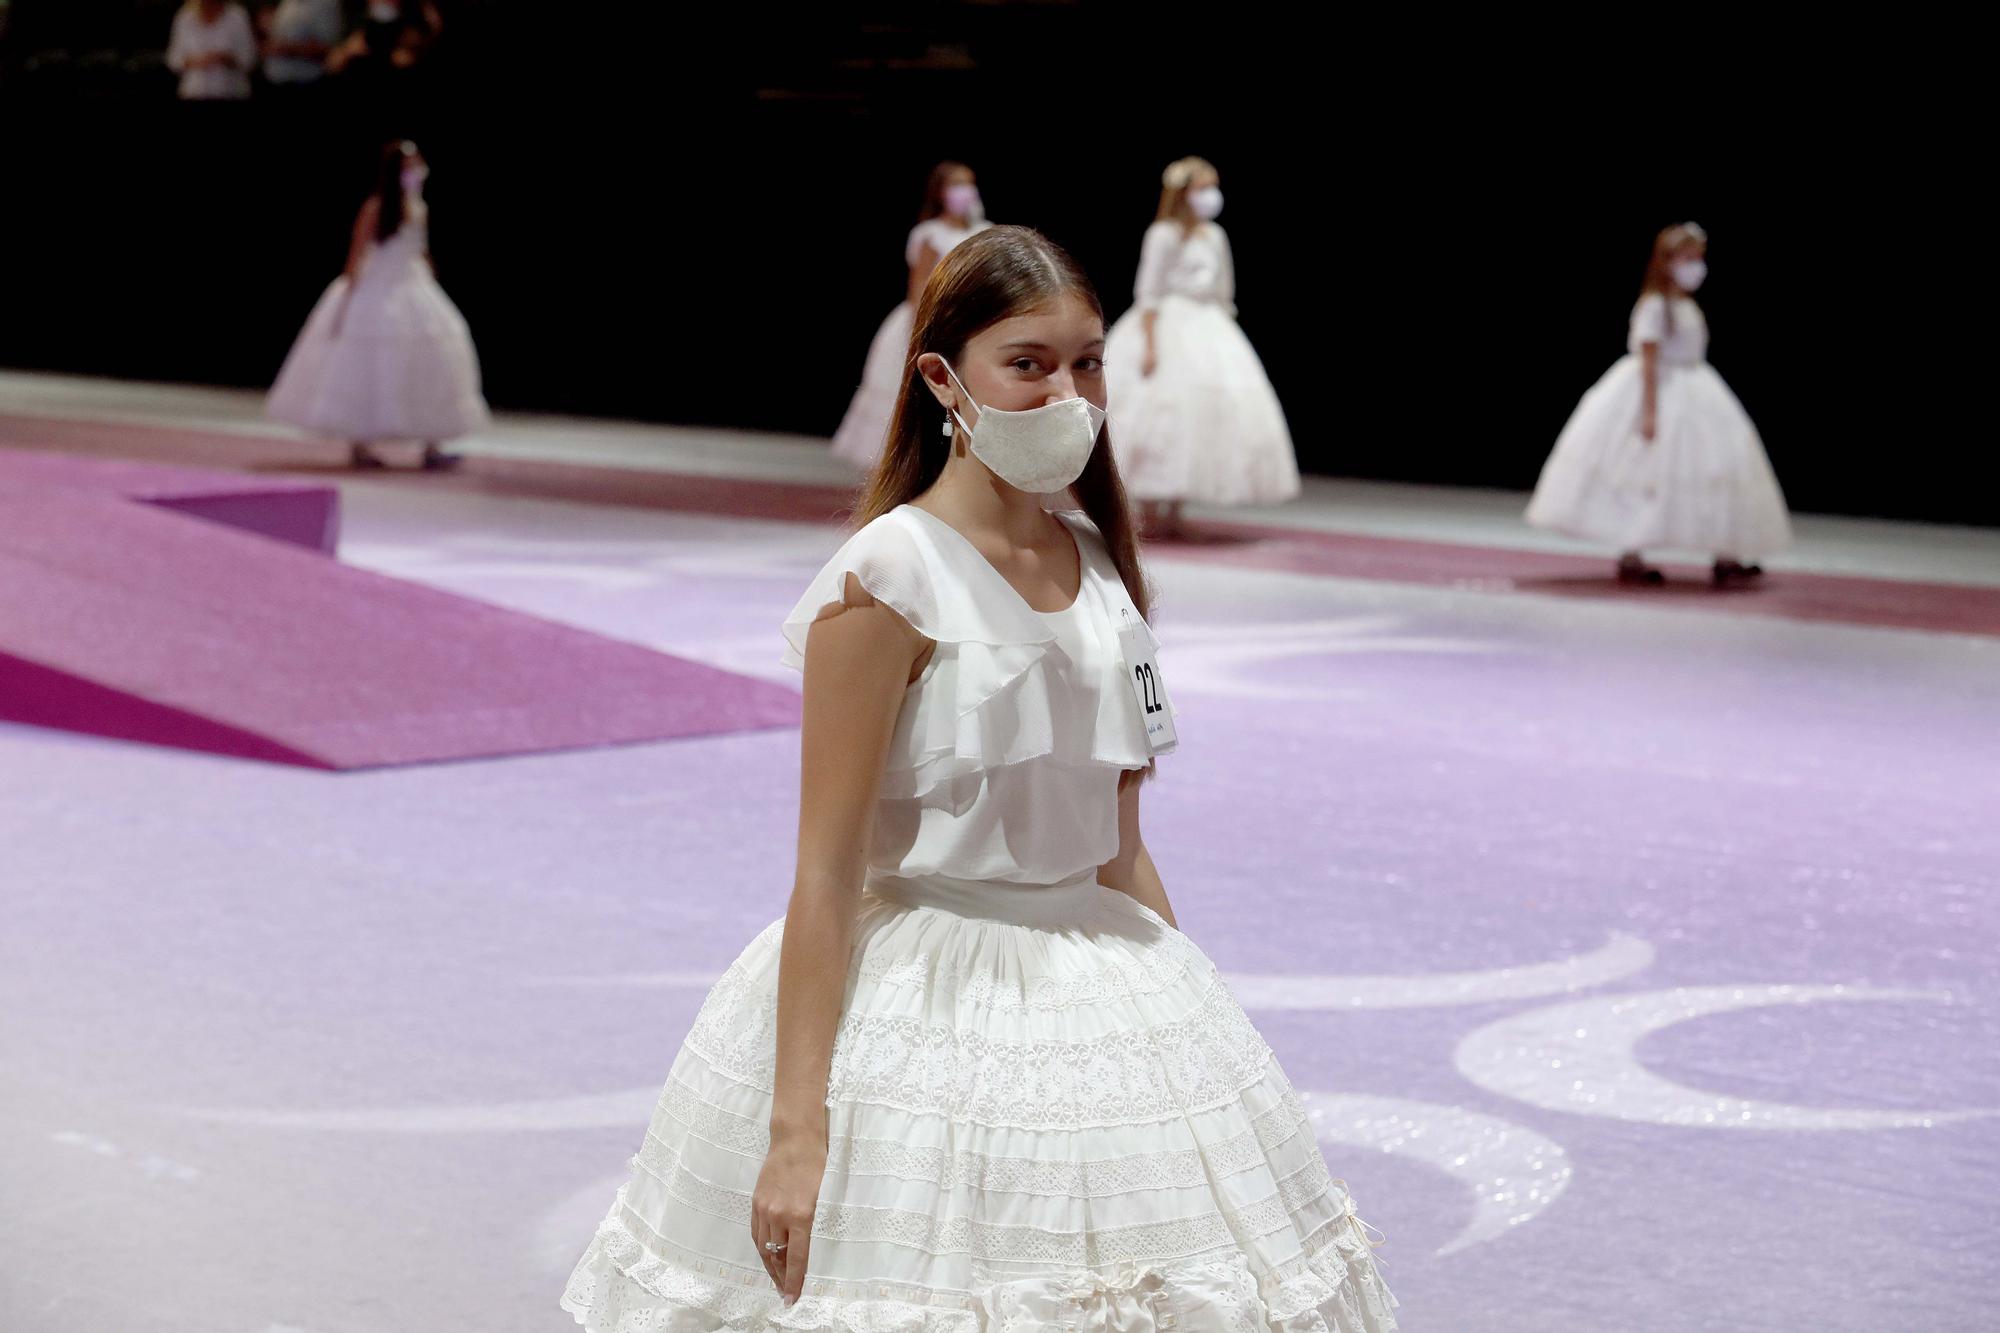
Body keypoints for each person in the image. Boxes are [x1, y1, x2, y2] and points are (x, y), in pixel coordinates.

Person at [560, 225, 1399, 1333]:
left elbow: (1120, 843)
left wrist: (1195, 1038)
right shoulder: (886, 578)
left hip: (1097, 978)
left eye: (1085, 360)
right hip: (920, 997)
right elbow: (824, 873)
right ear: (942, 378)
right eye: (1029, 361)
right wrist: (796, 1129)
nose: (1066, 391)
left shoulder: (1100, 567)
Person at [1526, 221, 1792, 585]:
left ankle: (1726, 553)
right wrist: (1650, 411)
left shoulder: (1685, 305)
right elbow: (1648, 359)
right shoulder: (1654, 305)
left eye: (1698, 258)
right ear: (1666, 262)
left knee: (1716, 467)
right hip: (1660, 388)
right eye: (1687, 258)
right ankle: (1631, 551)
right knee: (1643, 470)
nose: (1695, 266)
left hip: (1696, 385)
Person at [1103, 157, 1299, 539]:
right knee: (1161, 408)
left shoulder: (1214, 236)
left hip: (1207, 321)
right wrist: (1149, 342)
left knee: (1202, 413)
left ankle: (1176, 508)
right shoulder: (1164, 233)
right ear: (1183, 193)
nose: (1210, 196)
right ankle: (1149, 507)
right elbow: (1149, 290)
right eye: (1202, 187)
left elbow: (1223, 288)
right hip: (1168, 320)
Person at [266, 140, 489, 469]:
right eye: (410, 165)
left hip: (411, 282)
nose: (417, 171)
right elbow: (357, 253)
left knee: (428, 359)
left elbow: (419, 249)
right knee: (368, 364)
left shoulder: (418, 207)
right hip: (379, 285)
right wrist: (347, 300)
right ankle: (361, 444)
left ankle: (432, 443)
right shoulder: (377, 207)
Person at [830, 161, 993, 470]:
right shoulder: (930, 234)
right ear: (941, 192)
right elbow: (919, 285)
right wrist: (921, 328)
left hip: (971, 320)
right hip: (932, 318)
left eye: (968, 184)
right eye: (957, 185)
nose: (965, 192)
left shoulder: (983, 232)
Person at [165, 0, 257, 101]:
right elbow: (173, 60)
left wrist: (227, 59)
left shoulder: (237, 15)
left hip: (231, 92)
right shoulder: (184, 16)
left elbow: (250, 59)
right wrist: (194, 61)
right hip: (194, 92)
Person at [258, 0, 343, 90]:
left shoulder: (325, 3)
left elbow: (326, 49)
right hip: (275, 79)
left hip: (303, 83)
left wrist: (286, 49)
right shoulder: (289, 2)